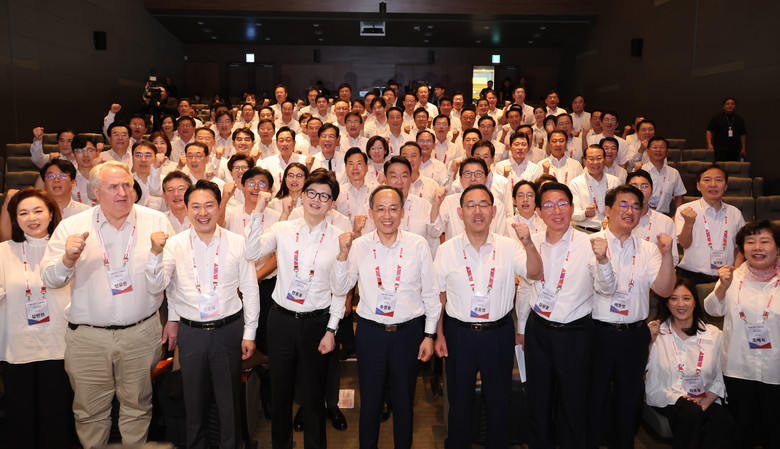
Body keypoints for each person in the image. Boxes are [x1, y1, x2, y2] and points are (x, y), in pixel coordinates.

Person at [40, 161, 174, 449]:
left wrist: (173, 318)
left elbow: (169, 278)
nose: (123, 192)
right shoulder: (72, 226)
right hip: (88, 338)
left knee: (138, 406)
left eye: (127, 185)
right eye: (113, 187)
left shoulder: (156, 222)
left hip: (141, 333)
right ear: (96, 192)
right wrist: (67, 260)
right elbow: (50, 279)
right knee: (89, 411)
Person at [145, 180, 259, 449]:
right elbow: (158, 287)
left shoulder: (237, 242)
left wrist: (250, 333)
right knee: (193, 404)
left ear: (219, 207)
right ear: (187, 209)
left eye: (209, 205)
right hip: (192, 333)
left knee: (229, 404)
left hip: (228, 331)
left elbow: (250, 290)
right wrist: (154, 254)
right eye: (195, 207)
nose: (203, 212)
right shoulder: (173, 245)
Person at [331, 185, 441, 449]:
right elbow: (339, 287)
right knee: (370, 402)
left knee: (404, 402)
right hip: (371, 334)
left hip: (408, 334)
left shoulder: (418, 245)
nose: (387, 215)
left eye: (393, 208)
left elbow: (431, 293)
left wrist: (429, 335)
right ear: (371, 213)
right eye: (380, 209)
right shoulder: (359, 246)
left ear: (402, 212)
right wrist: (342, 256)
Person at [434, 184, 543, 449]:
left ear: (494, 212)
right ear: (460, 213)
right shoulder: (447, 249)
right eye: (470, 205)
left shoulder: (509, 246)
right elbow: (438, 295)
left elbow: (535, 273)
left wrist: (529, 244)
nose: (477, 211)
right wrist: (438, 334)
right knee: (459, 401)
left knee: (499, 400)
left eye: (483, 204)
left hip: (498, 333)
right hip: (459, 333)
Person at [246, 169, 346, 449]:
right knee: (281, 393)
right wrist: (258, 211)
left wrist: (331, 330)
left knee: (313, 396)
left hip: (317, 323)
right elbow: (252, 253)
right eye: (311, 192)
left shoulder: (339, 238)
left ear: (332, 203)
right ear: (302, 196)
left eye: (324, 196)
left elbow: (340, 290)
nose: (316, 199)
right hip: (281, 320)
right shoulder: (283, 229)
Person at [517, 181, 616, 449]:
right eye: (549, 205)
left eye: (562, 203)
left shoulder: (590, 243)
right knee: (538, 398)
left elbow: (607, 289)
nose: (556, 211)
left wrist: (604, 261)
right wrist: (522, 329)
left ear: (572, 208)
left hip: (575, 333)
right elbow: (526, 287)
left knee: (574, 401)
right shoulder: (531, 242)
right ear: (539, 212)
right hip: (538, 330)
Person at [587, 185, 676, 449]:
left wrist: (667, 255)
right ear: (607, 210)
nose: (630, 211)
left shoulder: (649, 249)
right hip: (597, 332)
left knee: (629, 399)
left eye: (636, 206)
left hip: (634, 334)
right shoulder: (588, 244)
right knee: (594, 396)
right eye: (623, 205)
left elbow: (664, 290)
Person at [0, 188, 72, 449]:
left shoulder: (67, 250)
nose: (32, 218)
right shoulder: (3, 252)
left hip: (59, 346)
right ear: (15, 219)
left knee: (57, 419)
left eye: (38, 211)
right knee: (20, 421)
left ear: (51, 213)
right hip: (18, 348)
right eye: (23, 213)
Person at [704, 220, 780, 449]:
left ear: (777, 248)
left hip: (775, 369)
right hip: (739, 368)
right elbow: (712, 310)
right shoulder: (732, 277)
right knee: (742, 431)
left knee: (775, 430)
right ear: (742, 248)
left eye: (764, 241)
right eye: (750, 242)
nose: (757, 247)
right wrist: (722, 286)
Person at [646, 278, 739, 449]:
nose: (681, 304)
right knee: (690, 414)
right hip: (668, 397)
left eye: (686, 298)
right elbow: (638, 369)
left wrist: (705, 403)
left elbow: (720, 377)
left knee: (723, 421)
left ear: (695, 302)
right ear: (666, 303)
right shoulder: (656, 333)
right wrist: (649, 341)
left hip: (704, 398)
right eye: (674, 298)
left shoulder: (714, 335)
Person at [676, 164, 744, 286]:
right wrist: (689, 223)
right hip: (692, 277)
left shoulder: (735, 213)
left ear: (726, 186)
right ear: (698, 186)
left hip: (726, 277)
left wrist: (737, 273)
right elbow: (684, 244)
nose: (713, 184)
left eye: (719, 180)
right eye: (707, 180)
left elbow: (740, 247)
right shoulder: (685, 210)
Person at [431, 157, 508, 240]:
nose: (473, 179)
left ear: (486, 178)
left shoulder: (497, 205)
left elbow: (501, 239)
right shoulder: (449, 202)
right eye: (468, 174)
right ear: (460, 179)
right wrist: (436, 205)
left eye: (478, 174)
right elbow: (434, 232)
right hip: (457, 248)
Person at [627, 170, 680, 264]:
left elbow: (673, 259)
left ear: (652, 191)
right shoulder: (615, 220)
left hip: (655, 271)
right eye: (634, 186)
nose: (639, 190)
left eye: (644, 186)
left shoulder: (665, 222)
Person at [569, 144, 621, 233]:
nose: (596, 162)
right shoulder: (576, 183)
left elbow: (620, 208)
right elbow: (571, 213)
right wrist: (584, 213)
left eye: (599, 158)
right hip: (584, 231)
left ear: (605, 160)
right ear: (584, 161)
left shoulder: (615, 182)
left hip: (609, 231)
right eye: (591, 159)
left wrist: (610, 218)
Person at [641, 137, 686, 215]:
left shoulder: (674, 172)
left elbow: (679, 196)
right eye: (654, 147)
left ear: (667, 151)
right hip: (642, 214)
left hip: (664, 215)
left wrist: (676, 216)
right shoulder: (641, 170)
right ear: (648, 151)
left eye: (662, 147)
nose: (658, 150)